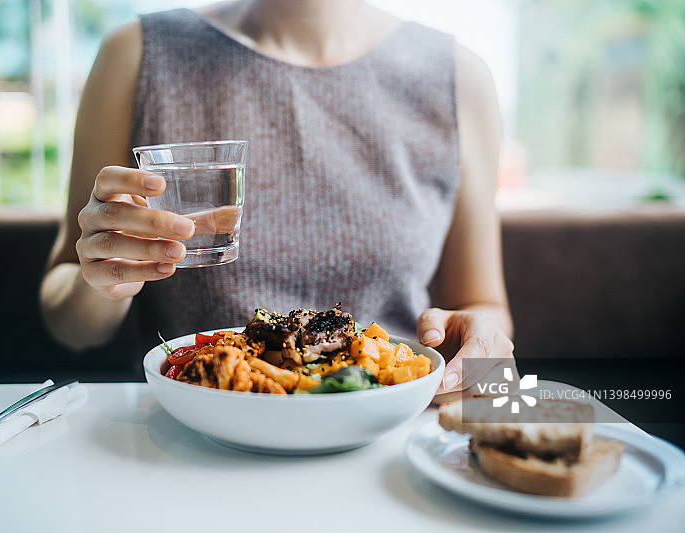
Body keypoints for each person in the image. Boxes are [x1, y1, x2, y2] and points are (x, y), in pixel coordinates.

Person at [40, 0, 515, 402]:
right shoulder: (136, 56)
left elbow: (483, 306)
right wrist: (104, 280)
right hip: (193, 438)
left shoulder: (457, 77)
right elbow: (69, 324)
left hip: (387, 432)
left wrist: (478, 347)